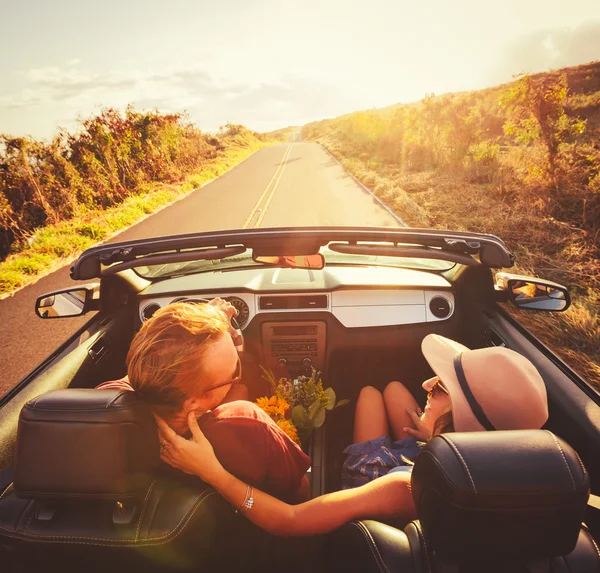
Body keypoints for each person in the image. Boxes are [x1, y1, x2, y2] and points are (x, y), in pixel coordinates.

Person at [156, 333, 549, 537]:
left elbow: (291, 521)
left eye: (443, 389)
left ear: (465, 425)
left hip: (378, 482)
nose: (428, 382)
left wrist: (213, 472)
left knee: (368, 395)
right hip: (426, 454)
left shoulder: (402, 488)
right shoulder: (535, 484)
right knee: (388, 390)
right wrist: (438, 433)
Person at [97, 299, 311, 503]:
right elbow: (301, 491)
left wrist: (208, 320)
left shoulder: (107, 412)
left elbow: (137, 375)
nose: (236, 376)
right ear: (192, 403)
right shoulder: (248, 424)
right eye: (234, 373)